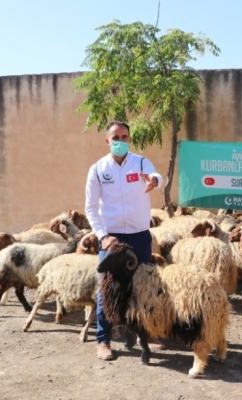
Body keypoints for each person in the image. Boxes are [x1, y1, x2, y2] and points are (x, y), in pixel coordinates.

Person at [85, 121, 164, 361]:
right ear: (107, 141)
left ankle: (145, 333)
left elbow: (156, 175)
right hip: (112, 238)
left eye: (124, 137)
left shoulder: (140, 162)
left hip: (139, 235)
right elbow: (90, 207)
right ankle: (104, 340)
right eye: (115, 137)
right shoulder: (97, 169)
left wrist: (154, 181)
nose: (120, 141)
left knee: (143, 285)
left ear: (129, 139)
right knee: (108, 289)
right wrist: (103, 236)